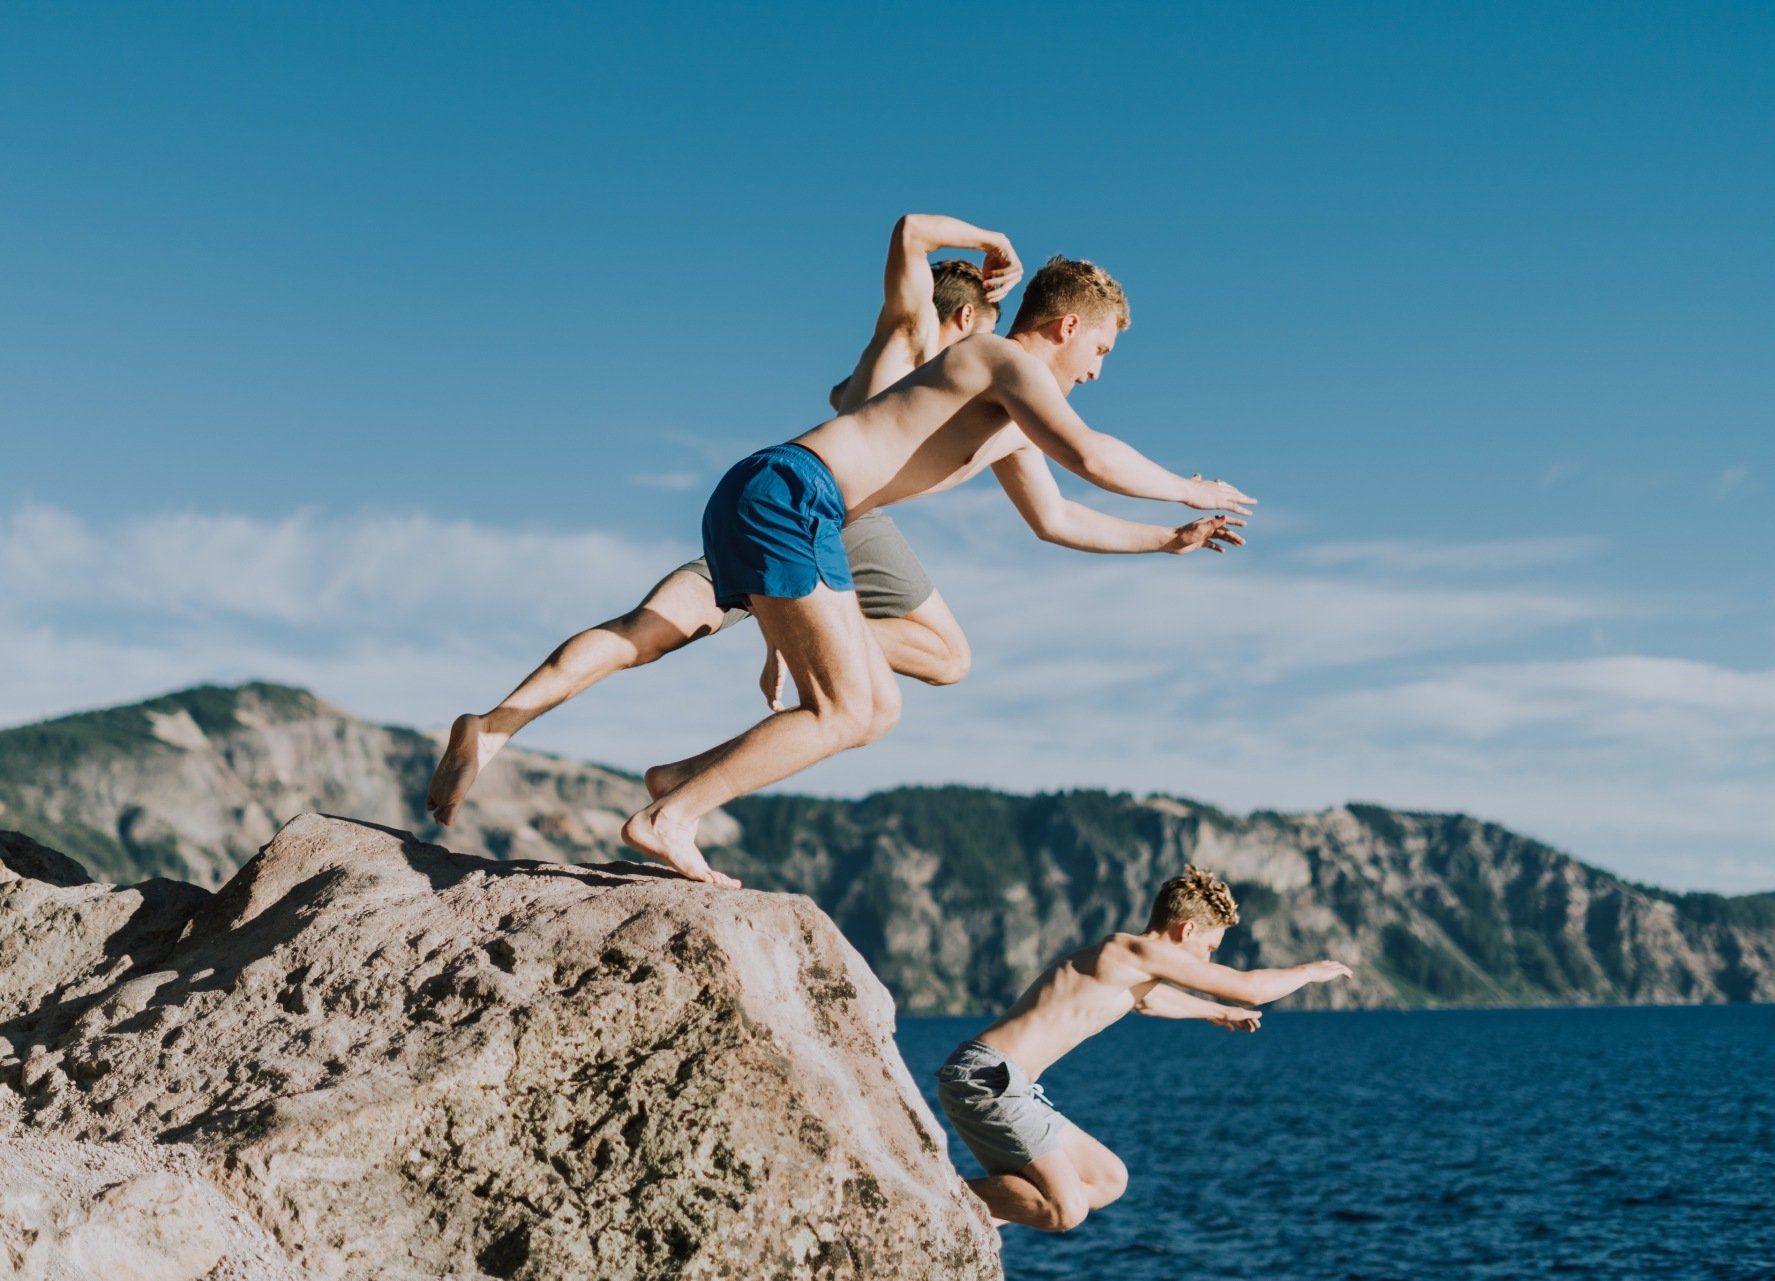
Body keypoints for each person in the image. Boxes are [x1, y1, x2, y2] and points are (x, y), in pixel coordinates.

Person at [622, 256, 1255, 885]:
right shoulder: (995, 359)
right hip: (791, 493)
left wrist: (1168, 539)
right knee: (846, 707)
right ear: (1066, 326)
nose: (1096, 371)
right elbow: (1088, 452)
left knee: (876, 710)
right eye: (1102, 349)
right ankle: (671, 817)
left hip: (798, 504)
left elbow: (1056, 518)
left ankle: (681, 781)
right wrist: (1186, 489)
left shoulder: (1008, 414)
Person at [425, 214, 1020, 829]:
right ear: (969, 321)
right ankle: (718, 739)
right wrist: (993, 244)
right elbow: (911, 232)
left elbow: (842, 394)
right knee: (949, 657)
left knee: (642, 631)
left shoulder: (883, 367)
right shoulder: (919, 334)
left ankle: (494, 726)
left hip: (762, 507)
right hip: (833, 517)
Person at [936, 866, 1354, 1231]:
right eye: (1209, 950)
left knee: (1106, 1179)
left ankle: (964, 1217)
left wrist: (1217, 1012)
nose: (1206, 964)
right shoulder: (1130, 949)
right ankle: (931, 1193)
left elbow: (1149, 1001)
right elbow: (1251, 988)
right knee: (1066, 1210)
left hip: (1010, 1084)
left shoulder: (1127, 966)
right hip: (987, 1078)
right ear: (1187, 930)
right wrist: (1309, 972)